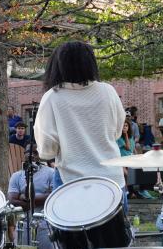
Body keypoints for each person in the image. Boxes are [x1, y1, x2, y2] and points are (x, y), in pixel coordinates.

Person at [34, 41, 128, 210]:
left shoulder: (52, 97)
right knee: (116, 235)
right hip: (111, 181)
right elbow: (116, 133)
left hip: (70, 180)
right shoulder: (108, 91)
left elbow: (47, 150)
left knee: (70, 236)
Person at [7, 145, 57, 249]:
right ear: (24, 154)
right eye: (29, 152)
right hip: (23, 225)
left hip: (45, 225)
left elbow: (53, 196)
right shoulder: (17, 176)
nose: (32, 155)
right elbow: (11, 199)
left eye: (35, 152)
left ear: (40, 155)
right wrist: (39, 199)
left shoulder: (50, 173)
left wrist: (24, 197)